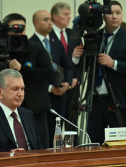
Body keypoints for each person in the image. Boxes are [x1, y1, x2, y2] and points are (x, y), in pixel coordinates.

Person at [0, 13, 53, 150]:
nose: (18, 32)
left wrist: (23, 69)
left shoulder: (35, 47)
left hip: (35, 109)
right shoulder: (0, 49)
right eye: (14, 28)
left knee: (40, 149)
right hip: (6, 111)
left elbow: (49, 73)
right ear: (5, 30)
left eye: (22, 28)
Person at [72, 1, 126, 144]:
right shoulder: (94, 36)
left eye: (118, 13)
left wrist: (114, 63)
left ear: (122, 15)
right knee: (94, 140)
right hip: (95, 98)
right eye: (110, 13)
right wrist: (76, 58)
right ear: (103, 16)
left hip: (119, 99)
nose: (114, 16)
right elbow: (85, 65)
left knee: (121, 143)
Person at [31, 10, 73, 145]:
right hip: (41, 97)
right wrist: (50, 88)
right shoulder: (31, 44)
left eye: (50, 19)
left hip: (60, 96)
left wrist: (67, 83)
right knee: (45, 138)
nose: (50, 23)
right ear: (36, 23)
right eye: (45, 20)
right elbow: (32, 74)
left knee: (59, 136)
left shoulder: (56, 42)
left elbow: (68, 66)